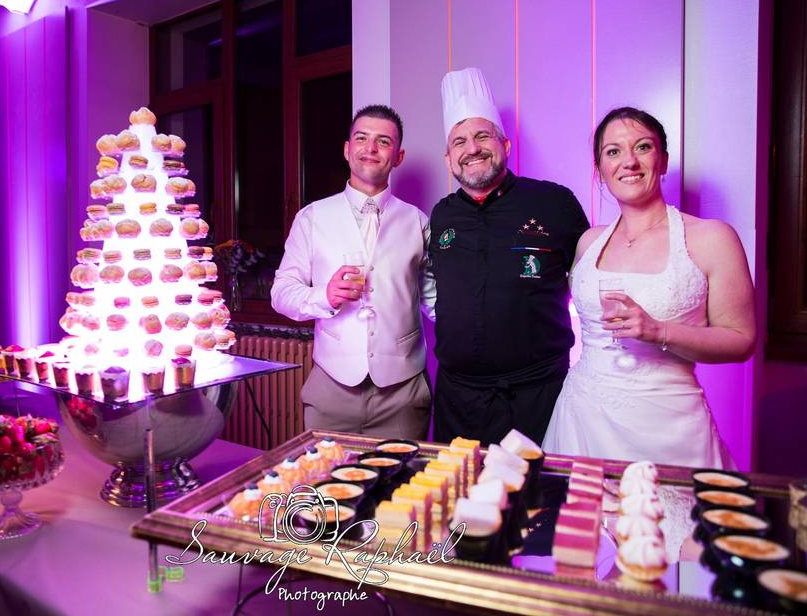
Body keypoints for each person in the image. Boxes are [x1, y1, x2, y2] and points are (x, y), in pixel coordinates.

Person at [542, 107, 755, 468]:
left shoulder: (711, 238)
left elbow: (741, 339)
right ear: (600, 170)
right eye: (613, 152)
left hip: (668, 425)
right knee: (575, 521)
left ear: (663, 159)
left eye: (642, 147)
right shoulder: (588, 242)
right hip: (582, 419)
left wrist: (660, 330)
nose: (629, 161)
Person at [429, 68, 590, 446]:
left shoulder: (555, 202)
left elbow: (591, 282)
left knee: (538, 501)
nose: (472, 149)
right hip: (459, 399)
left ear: (506, 144)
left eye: (483, 136)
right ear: (449, 158)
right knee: (458, 500)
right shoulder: (441, 215)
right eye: (460, 142)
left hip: (539, 395)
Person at [271, 105, 435, 439]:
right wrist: (323, 296)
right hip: (332, 389)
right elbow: (281, 293)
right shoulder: (312, 217)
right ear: (348, 150)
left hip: (402, 392)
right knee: (327, 484)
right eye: (361, 138)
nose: (370, 148)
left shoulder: (418, 221)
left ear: (398, 155)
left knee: (404, 488)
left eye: (383, 141)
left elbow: (436, 300)